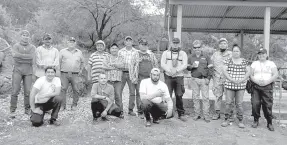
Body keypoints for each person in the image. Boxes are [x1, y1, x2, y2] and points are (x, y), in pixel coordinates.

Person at [221, 44, 251, 128]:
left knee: (239, 104)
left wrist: (242, 80)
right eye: (234, 51)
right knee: (228, 103)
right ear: (232, 52)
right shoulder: (228, 60)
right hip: (229, 85)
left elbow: (248, 72)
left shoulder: (245, 61)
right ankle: (226, 119)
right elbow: (224, 71)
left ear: (240, 52)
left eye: (237, 51)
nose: (235, 52)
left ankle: (240, 120)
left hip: (240, 87)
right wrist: (231, 79)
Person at [250, 48, 278, 131]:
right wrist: (256, 81)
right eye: (259, 54)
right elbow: (251, 75)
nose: (261, 55)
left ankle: (269, 122)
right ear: (258, 55)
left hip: (267, 86)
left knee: (267, 105)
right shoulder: (254, 63)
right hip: (256, 86)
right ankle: (256, 120)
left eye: (263, 54)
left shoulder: (271, 63)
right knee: (255, 103)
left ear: (266, 55)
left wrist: (267, 82)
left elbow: (275, 74)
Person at [160, 37, 188, 121]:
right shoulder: (166, 53)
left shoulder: (183, 53)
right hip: (168, 76)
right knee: (167, 95)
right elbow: (162, 64)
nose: (175, 44)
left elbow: (185, 65)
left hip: (179, 76)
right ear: (171, 43)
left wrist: (176, 70)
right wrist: (169, 71)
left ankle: (181, 113)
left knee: (179, 95)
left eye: (177, 43)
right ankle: (166, 112)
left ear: (179, 44)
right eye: (174, 43)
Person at [130, 38, 158, 117]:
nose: (144, 46)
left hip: (150, 78)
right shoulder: (135, 54)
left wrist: (156, 75)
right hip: (140, 77)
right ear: (139, 45)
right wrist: (133, 77)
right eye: (142, 44)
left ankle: (149, 110)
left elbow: (155, 64)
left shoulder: (151, 54)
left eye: (145, 45)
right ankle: (140, 111)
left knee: (151, 94)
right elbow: (131, 66)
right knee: (140, 95)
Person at [10, 30, 36, 118]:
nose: (25, 37)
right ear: (21, 36)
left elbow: (32, 57)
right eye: (24, 35)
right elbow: (15, 57)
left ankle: (27, 109)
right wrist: (25, 57)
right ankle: (12, 110)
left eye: (27, 35)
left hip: (28, 71)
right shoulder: (16, 46)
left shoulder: (32, 47)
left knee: (28, 91)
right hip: (17, 70)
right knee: (15, 90)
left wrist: (20, 56)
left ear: (29, 37)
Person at [187, 40, 213, 123]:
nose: (197, 49)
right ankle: (197, 114)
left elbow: (211, 68)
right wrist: (192, 66)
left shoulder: (206, 56)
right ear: (193, 48)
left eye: (198, 47)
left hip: (204, 79)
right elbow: (187, 68)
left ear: (201, 47)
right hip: (194, 80)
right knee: (195, 98)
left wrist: (208, 78)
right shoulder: (190, 57)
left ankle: (206, 115)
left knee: (205, 98)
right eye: (195, 47)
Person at [59, 37, 84, 111]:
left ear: (75, 43)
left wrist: (81, 70)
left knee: (76, 89)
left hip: (75, 74)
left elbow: (82, 62)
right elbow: (59, 62)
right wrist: (58, 72)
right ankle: (62, 106)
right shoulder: (62, 51)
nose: (71, 43)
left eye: (73, 42)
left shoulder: (79, 52)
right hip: (64, 73)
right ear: (67, 43)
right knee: (63, 89)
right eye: (70, 42)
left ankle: (74, 105)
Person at [210, 38, 232, 120]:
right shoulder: (215, 54)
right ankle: (217, 113)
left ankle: (229, 114)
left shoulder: (231, 54)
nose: (223, 45)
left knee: (229, 97)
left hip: (228, 79)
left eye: (224, 43)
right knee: (217, 97)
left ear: (227, 45)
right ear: (219, 45)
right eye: (221, 43)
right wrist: (212, 77)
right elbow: (210, 66)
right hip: (217, 79)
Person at [118, 36, 139, 116]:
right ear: (125, 42)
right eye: (127, 41)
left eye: (130, 40)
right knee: (119, 91)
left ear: (132, 42)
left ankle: (130, 109)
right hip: (122, 73)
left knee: (132, 92)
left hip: (132, 73)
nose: (129, 42)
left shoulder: (136, 52)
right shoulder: (120, 52)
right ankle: (120, 109)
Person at [104, 43, 124, 118]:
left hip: (117, 80)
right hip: (108, 80)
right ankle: (108, 111)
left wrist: (112, 64)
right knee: (108, 96)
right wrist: (116, 66)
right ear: (110, 49)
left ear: (118, 49)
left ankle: (120, 112)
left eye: (115, 48)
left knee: (118, 96)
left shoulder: (121, 57)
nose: (114, 50)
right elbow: (104, 66)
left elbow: (122, 65)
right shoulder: (106, 57)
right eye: (112, 48)